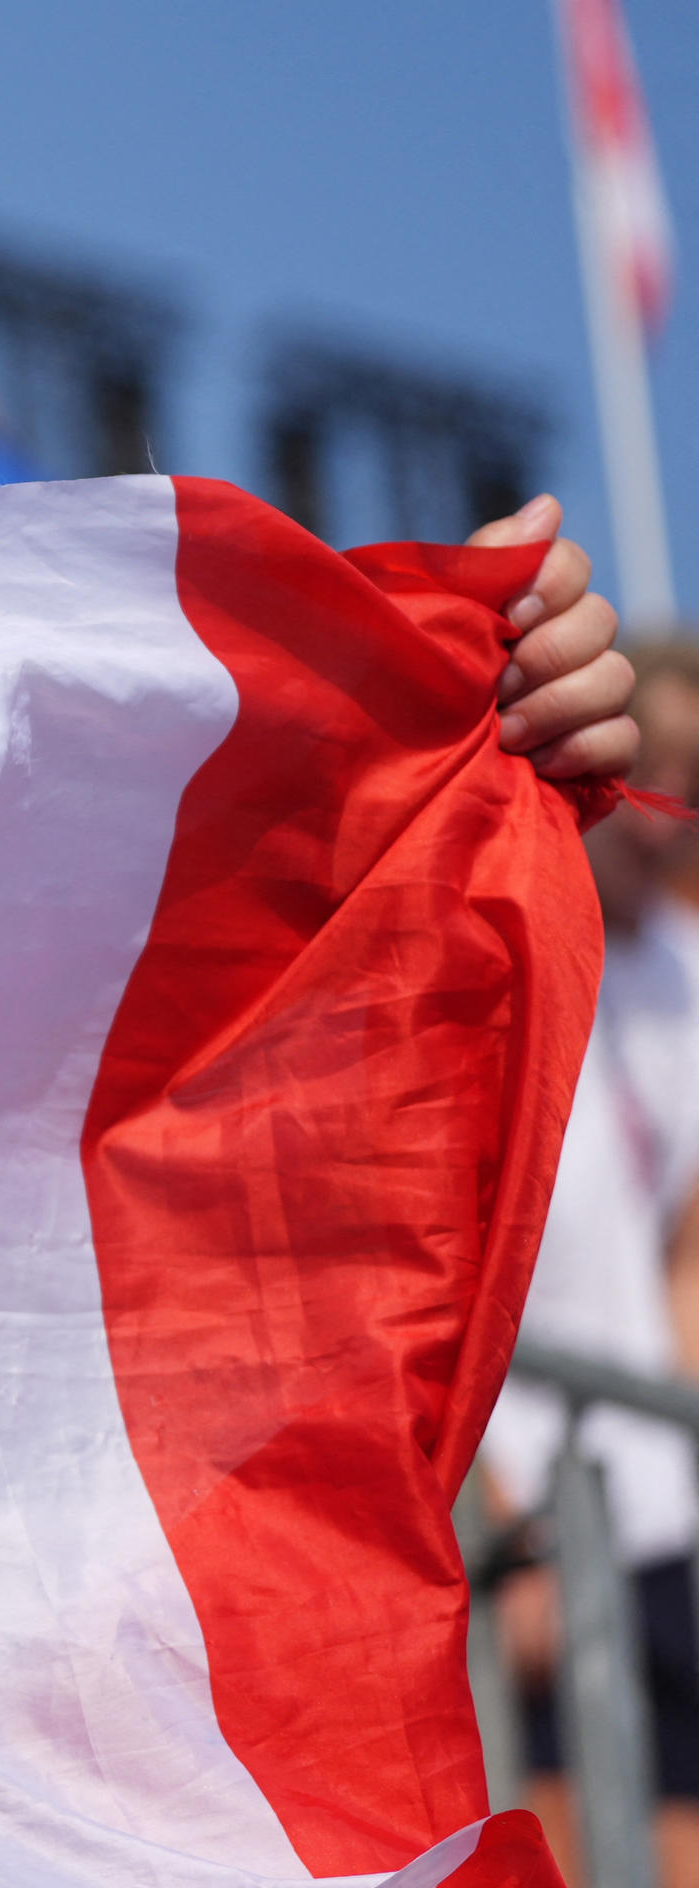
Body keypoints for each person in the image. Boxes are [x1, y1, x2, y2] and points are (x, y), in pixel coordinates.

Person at [485, 637, 699, 1886]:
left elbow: (683, 1248)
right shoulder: (502, 946)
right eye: (649, 774)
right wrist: (502, 1530)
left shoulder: (680, 977)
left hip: (662, 1497)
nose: (666, 815)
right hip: (530, 1494)